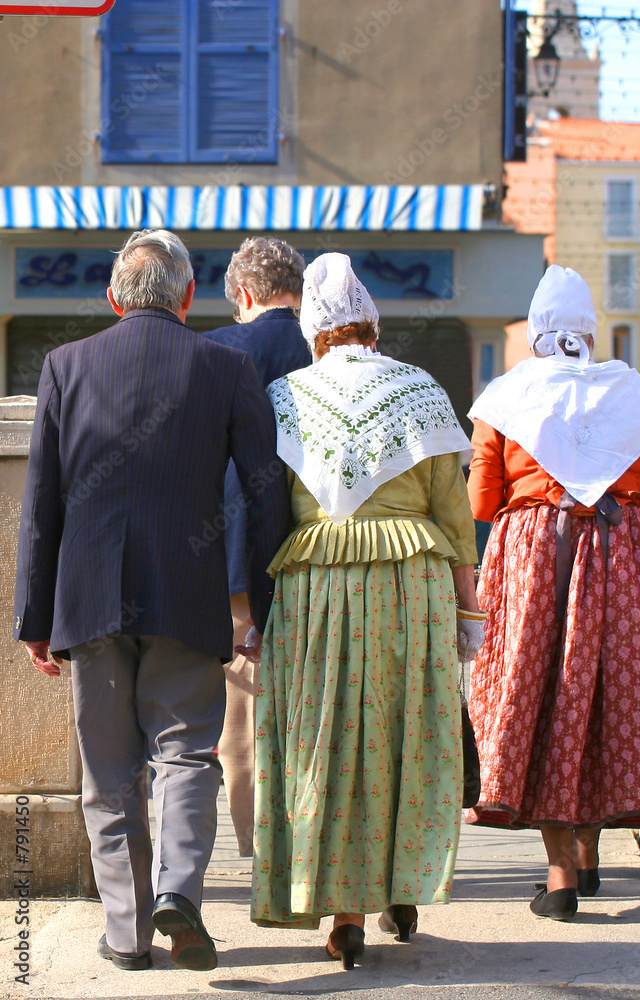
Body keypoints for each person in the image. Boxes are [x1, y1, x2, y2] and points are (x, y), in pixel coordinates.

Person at [13, 229, 289, 972]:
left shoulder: (66, 366)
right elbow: (265, 497)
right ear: (189, 297)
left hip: (90, 599)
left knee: (108, 776)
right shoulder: (226, 367)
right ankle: (181, 895)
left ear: (112, 298)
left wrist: (33, 619)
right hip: (189, 598)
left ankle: (129, 934)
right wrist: (264, 609)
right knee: (187, 757)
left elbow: (40, 504)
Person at [249, 253, 484, 970]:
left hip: (314, 581)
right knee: (401, 731)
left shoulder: (284, 394)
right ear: (370, 323)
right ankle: (400, 881)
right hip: (406, 578)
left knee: (326, 738)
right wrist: (469, 613)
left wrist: (248, 608)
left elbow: (263, 511)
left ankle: (344, 912)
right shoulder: (419, 389)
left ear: (315, 330)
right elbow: (453, 513)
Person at [465, 265, 640, 921]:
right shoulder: (636, 397)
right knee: (600, 700)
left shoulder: (506, 397)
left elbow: (482, 500)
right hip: (629, 562)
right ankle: (588, 858)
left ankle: (561, 871)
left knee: (537, 700)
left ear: (535, 335)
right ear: (590, 334)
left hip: (535, 559)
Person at [202, 236, 310, 857]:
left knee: (241, 710)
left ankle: (258, 843)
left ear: (243, 294)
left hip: (233, 553)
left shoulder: (215, 348)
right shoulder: (332, 349)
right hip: (320, 550)